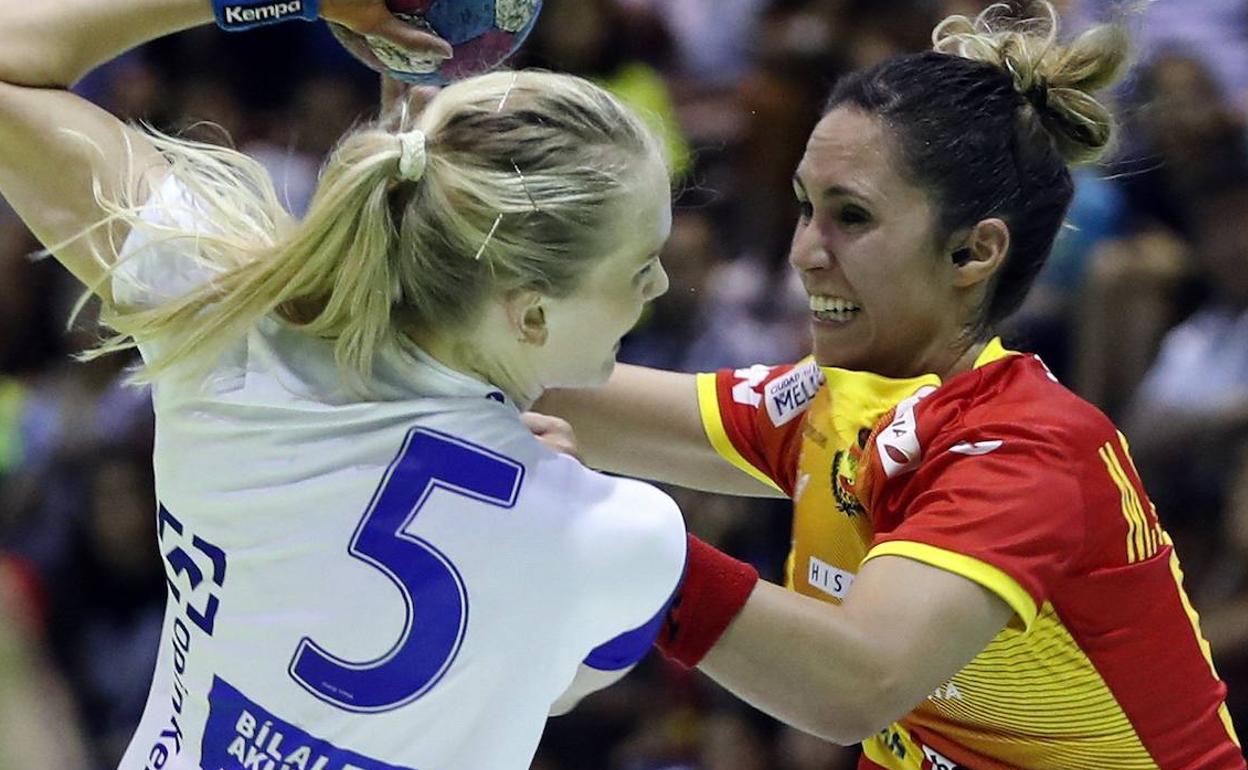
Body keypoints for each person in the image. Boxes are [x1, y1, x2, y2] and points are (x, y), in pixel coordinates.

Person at [533, 3, 1245, 767]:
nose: (806, 251)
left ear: (973, 253)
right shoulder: (840, 399)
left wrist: (615, 536)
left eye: (852, 216)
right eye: (807, 207)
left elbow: (853, 684)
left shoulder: (1026, 451)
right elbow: (547, 394)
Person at [0, 2, 689, 769]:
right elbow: (551, 678)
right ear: (530, 315)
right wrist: (546, 479)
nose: (660, 283)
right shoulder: (627, 539)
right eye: (639, 266)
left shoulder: (229, 326)